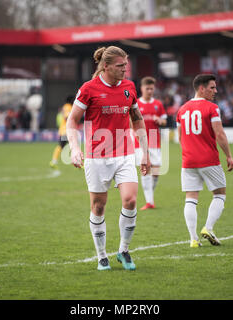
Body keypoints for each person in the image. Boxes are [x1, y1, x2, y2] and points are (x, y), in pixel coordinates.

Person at [66, 46, 151, 271]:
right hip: (96, 157)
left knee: (131, 200)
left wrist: (144, 152)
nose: (125, 69)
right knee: (98, 206)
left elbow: (137, 120)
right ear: (106, 66)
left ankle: (123, 250)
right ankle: (102, 255)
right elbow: (71, 121)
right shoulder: (88, 89)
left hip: (124, 154)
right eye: (120, 66)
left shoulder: (129, 87)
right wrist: (75, 149)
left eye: (126, 65)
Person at [176, 74, 233, 248]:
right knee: (219, 194)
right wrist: (229, 155)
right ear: (201, 88)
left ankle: (193, 239)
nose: (215, 91)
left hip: (188, 161)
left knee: (190, 198)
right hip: (208, 159)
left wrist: (188, 152)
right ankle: (208, 228)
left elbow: (180, 138)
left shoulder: (181, 110)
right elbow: (220, 134)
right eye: (212, 87)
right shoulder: (212, 108)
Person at [133, 76, 167, 210]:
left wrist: (159, 120)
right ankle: (149, 202)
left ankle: (149, 196)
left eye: (152, 88)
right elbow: (130, 122)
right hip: (140, 143)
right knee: (146, 170)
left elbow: (165, 121)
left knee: (156, 172)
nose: (150, 91)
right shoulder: (136, 104)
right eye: (147, 88)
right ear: (142, 88)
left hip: (154, 141)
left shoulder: (158, 104)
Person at [50, 95, 74, 169]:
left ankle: (54, 161)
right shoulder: (68, 106)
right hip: (66, 131)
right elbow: (67, 117)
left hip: (65, 130)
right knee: (65, 145)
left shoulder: (66, 107)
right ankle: (54, 161)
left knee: (66, 145)